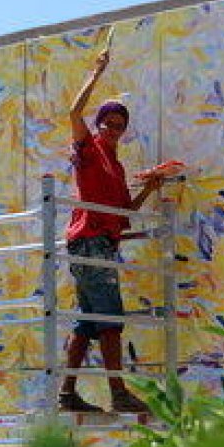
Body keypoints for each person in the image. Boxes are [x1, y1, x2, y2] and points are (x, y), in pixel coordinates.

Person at [58, 48, 164, 413]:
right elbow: (73, 113)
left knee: (89, 320)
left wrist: (151, 186)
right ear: (99, 124)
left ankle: (67, 394)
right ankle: (118, 393)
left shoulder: (117, 168)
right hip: (89, 242)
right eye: (109, 122)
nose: (114, 129)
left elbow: (123, 213)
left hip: (101, 242)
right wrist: (96, 72)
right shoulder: (89, 150)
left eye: (120, 125)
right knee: (111, 319)